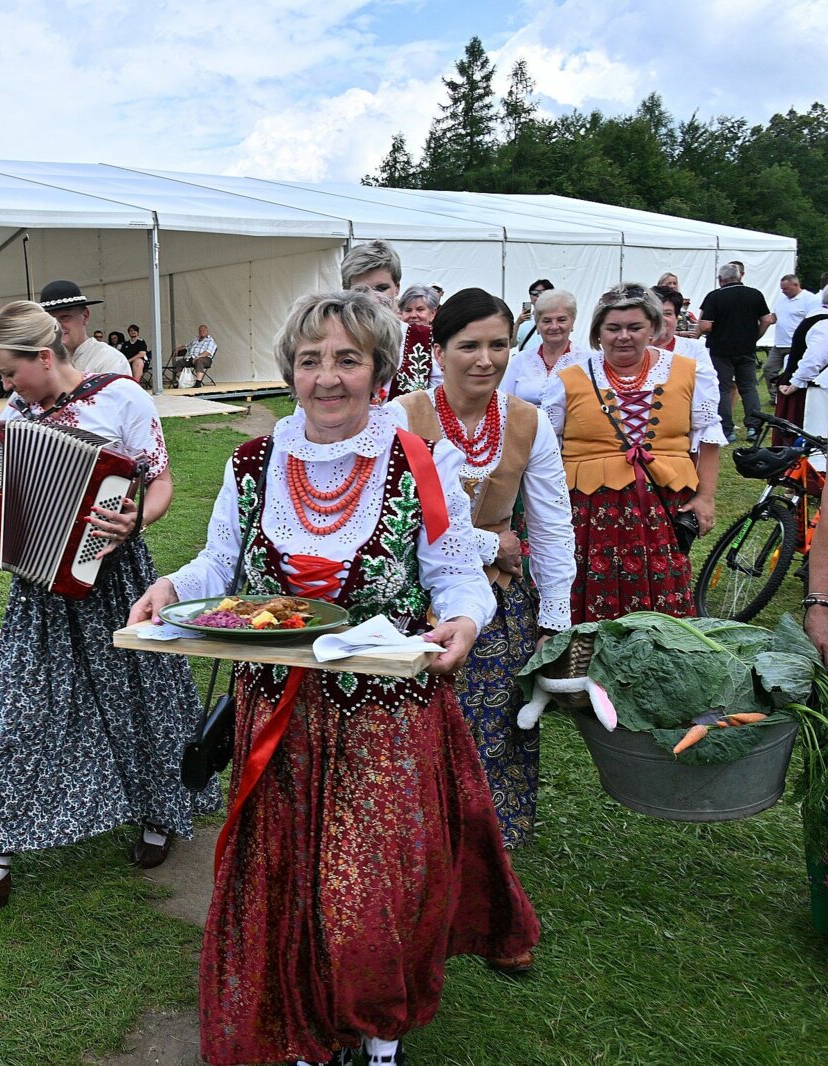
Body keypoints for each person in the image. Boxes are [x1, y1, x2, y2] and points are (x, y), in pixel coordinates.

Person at [129, 289, 537, 1066]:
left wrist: (465, 620)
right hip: (278, 715)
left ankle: (379, 1034)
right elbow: (221, 563)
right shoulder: (253, 463)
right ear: (291, 371)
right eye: (310, 360)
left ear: (379, 371)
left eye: (347, 359)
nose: (327, 377)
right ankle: (303, 1030)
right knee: (284, 881)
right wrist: (172, 588)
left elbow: (455, 571)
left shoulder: (419, 462)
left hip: (387, 714)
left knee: (375, 888)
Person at [0, 301, 218, 909]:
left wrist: (135, 520)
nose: (5, 386)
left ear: (44, 356)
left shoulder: (122, 398)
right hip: (39, 587)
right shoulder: (17, 415)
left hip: (114, 580)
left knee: (140, 698)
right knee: (19, 709)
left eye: (10, 372)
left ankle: (159, 813)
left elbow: (161, 481)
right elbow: (9, 488)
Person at [391, 289, 575, 850]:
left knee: (496, 723)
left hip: (497, 601)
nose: (485, 359)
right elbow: (392, 518)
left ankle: (483, 845)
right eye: (468, 345)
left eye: (498, 345)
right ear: (439, 351)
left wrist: (555, 618)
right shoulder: (400, 416)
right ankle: (409, 836)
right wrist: (492, 543)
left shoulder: (528, 421)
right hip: (410, 594)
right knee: (411, 720)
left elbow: (551, 524)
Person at [543, 285, 723, 622]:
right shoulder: (568, 378)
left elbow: (707, 437)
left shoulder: (688, 371)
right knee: (591, 590)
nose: (623, 336)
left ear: (652, 328)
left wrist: (705, 498)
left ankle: (656, 651)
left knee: (663, 594)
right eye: (613, 328)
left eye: (634, 327)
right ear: (598, 332)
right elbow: (547, 450)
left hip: (663, 505)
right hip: (590, 509)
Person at [340, 238, 438, 396]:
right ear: (346, 290)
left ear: (397, 288)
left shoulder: (425, 339)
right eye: (360, 290)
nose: (372, 299)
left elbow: (441, 401)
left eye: (381, 288)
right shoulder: (333, 337)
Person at [699, 261, 775, 441]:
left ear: (720, 279)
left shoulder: (714, 297)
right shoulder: (755, 294)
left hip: (721, 350)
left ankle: (727, 430)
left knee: (723, 389)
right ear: (740, 276)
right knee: (749, 388)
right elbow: (767, 320)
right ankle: (754, 428)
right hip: (746, 348)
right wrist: (754, 337)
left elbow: (705, 325)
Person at [501, 289, 581, 404]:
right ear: (537, 326)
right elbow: (503, 402)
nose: (554, 326)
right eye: (547, 321)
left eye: (561, 320)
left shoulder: (588, 361)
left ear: (572, 323)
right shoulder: (519, 361)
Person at [37, 280, 131, 377]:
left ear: (85, 316)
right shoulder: (40, 361)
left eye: (64, 317)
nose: (56, 326)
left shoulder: (109, 360)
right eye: (49, 320)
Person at [768, 275, 820, 404]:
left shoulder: (810, 299)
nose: (783, 291)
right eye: (782, 289)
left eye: (785, 288)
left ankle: (790, 395)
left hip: (796, 344)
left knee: (790, 372)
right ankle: (775, 396)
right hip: (779, 343)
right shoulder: (781, 300)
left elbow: (813, 321)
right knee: (769, 368)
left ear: (796, 285)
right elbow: (774, 317)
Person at [512, 278, 556, 351]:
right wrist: (517, 323)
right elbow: (511, 344)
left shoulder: (556, 319)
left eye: (543, 293)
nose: (538, 296)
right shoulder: (523, 320)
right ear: (530, 297)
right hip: (526, 358)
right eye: (534, 293)